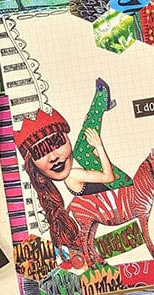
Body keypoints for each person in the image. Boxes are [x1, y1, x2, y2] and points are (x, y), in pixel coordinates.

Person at [14, 78, 131, 252]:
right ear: (33, 165)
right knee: (83, 148)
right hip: (123, 190)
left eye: (57, 143)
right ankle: (100, 102)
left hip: (119, 200)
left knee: (82, 148)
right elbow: (109, 177)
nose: (53, 157)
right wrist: (99, 146)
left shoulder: (61, 185)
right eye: (41, 153)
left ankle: (100, 103)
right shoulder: (72, 176)